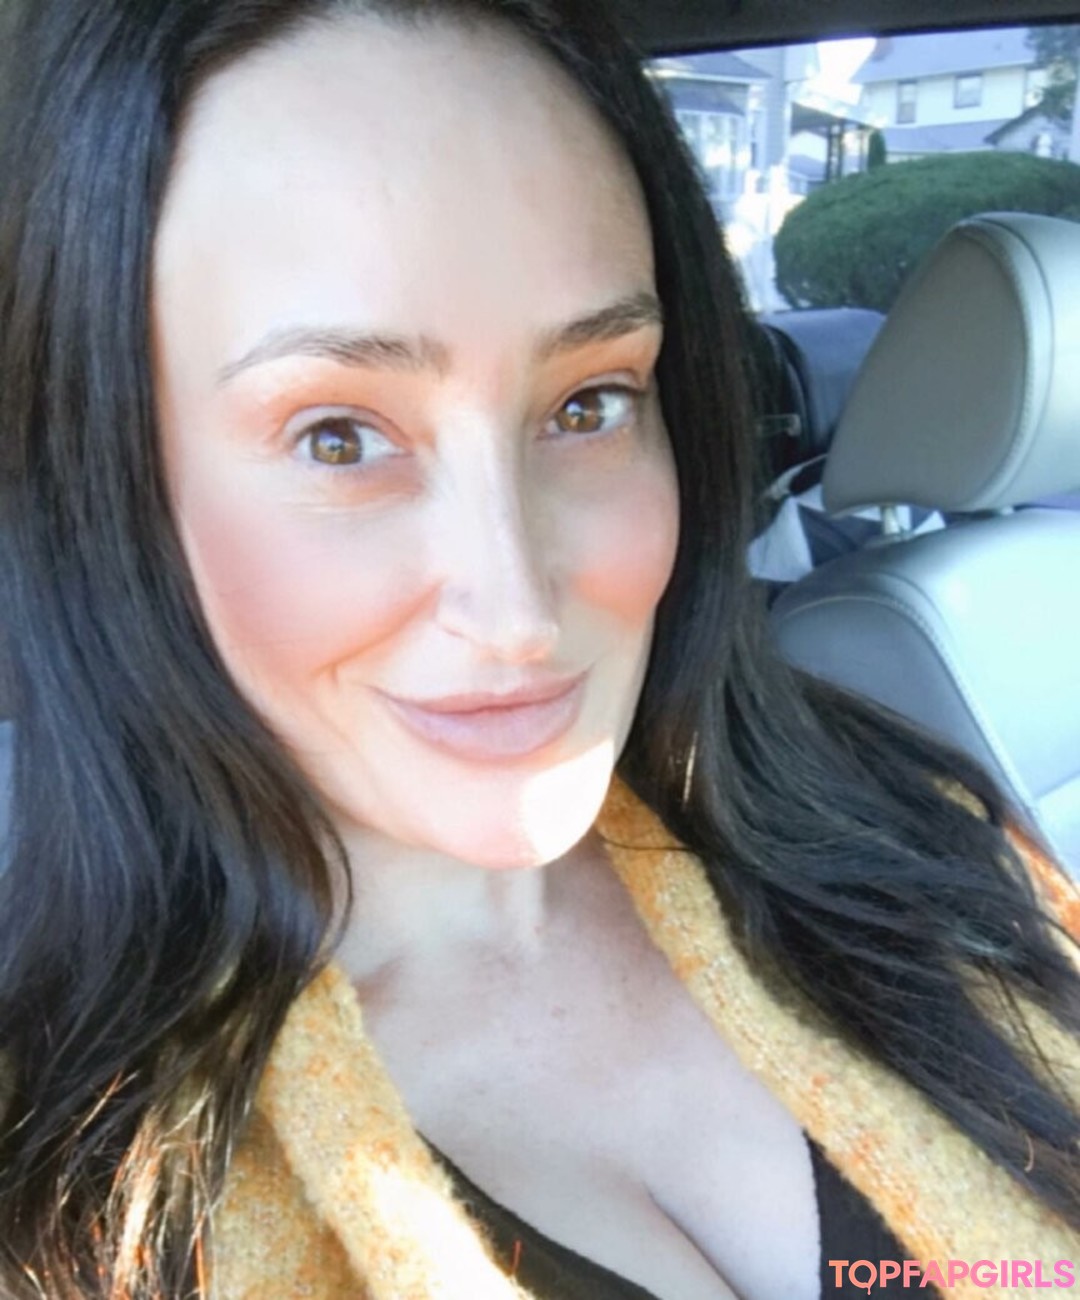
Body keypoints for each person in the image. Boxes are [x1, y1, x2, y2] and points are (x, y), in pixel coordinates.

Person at [0, 2, 1077, 1297]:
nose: (517, 611)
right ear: (110, 483)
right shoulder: (61, 1207)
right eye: (338, 437)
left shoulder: (926, 843)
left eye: (587, 404)